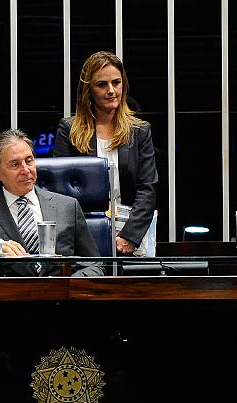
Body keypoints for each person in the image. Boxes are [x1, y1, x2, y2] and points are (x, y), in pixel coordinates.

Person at [0, 128, 103, 277]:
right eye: (15, 164)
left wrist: (66, 286)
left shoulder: (67, 207)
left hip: (60, 296)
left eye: (29, 160)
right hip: (7, 296)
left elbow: (95, 265)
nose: (26, 170)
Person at [53, 51, 158, 255]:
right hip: (83, 233)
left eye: (116, 83)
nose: (111, 90)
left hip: (131, 233)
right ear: (88, 90)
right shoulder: (69, 129)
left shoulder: (140, 131)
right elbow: (60, 194)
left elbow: (148, 189)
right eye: (102, 85)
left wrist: (129, 236)